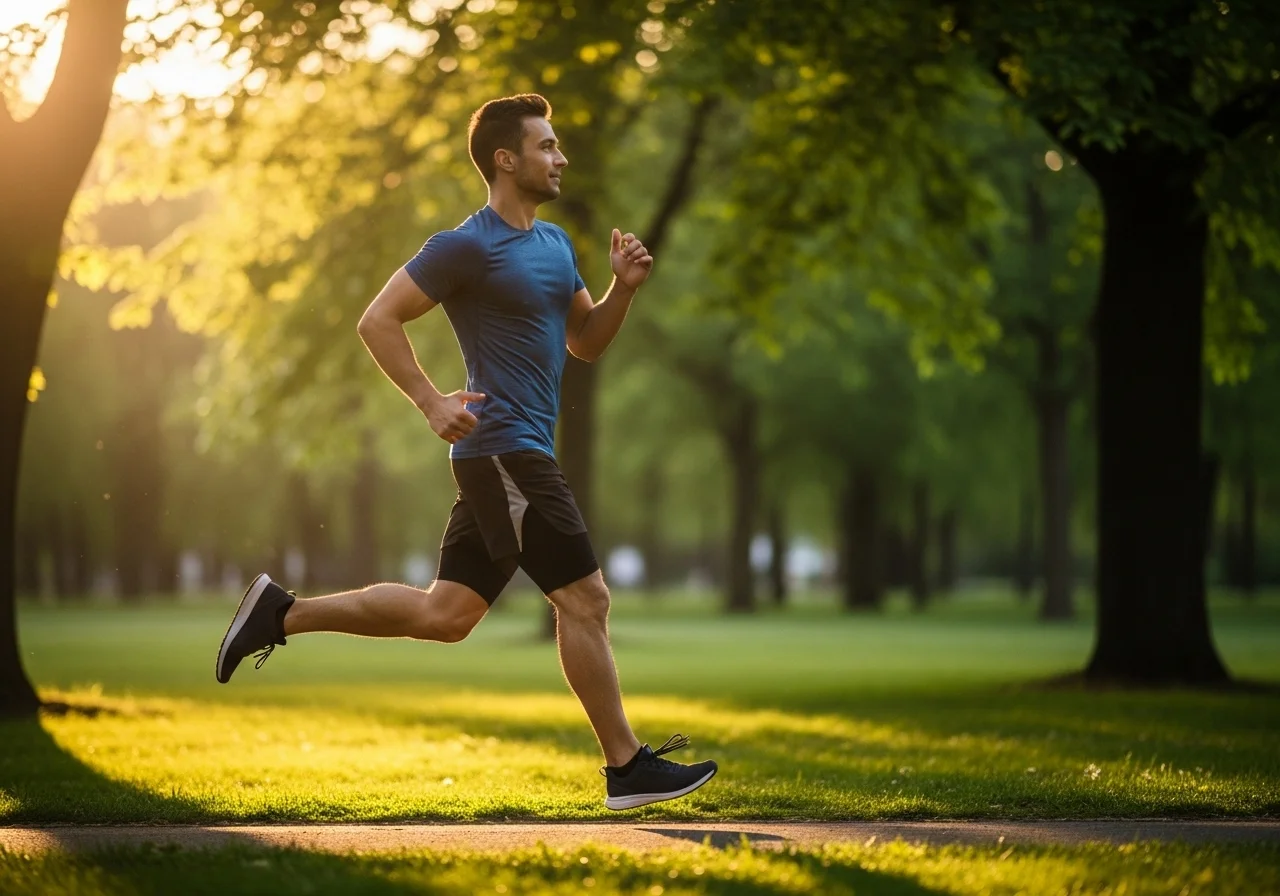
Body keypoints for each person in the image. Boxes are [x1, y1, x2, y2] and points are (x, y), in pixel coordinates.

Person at [214, 93, 717, 810]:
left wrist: (622, 290)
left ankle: (279, 614)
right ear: (506, 159)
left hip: (515, 452)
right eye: (546, 146)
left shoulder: (555, 245)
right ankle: (626, 766)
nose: (561, 157)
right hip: (505, 449)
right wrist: (430, 401)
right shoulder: (465, 246)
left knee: (444, 616)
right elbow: (377, 319)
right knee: (586, 598)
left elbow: (585, 342)